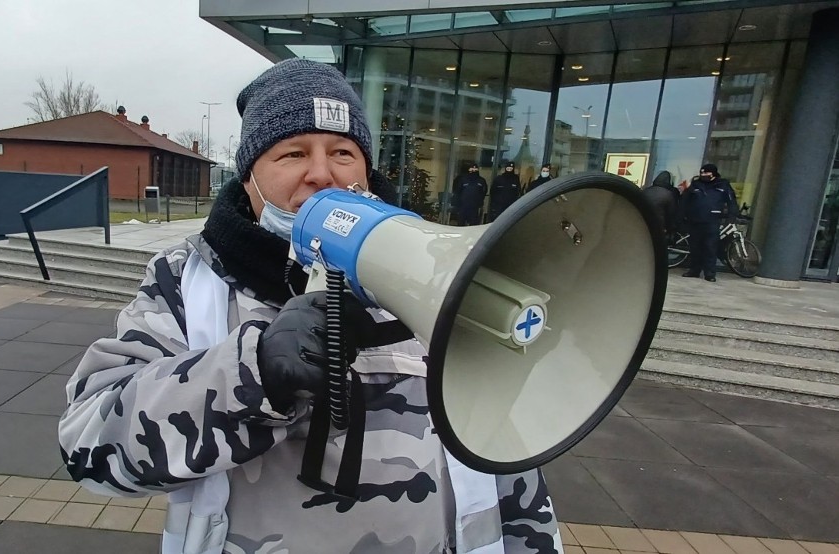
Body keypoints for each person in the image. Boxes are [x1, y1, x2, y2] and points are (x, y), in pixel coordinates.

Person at [57, 59, 562, 554]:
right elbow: (89, 447)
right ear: (250, 175)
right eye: (293, 153)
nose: (323, 174)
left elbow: (507, 459)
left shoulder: (438, 268)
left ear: (366, 168)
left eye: (343, 152)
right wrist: (252, 372)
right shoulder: (189, 281)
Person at [680, 163, 739, 282]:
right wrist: (682, 217)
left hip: (712, 221)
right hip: (695, 221)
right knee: (695, 247)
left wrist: (731, 217)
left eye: (706, 173)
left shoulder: (723, 185)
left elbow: (732, 202)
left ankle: (710, 273)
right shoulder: (696, 185)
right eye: (701, 173)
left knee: (710, 248)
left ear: (713, 174)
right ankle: (694, 270)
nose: (703, 175)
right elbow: (685, 202)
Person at [641, 170, 680, 235]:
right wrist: (670, 229)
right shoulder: (668, 194)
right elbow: (670, 214)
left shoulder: (646, 191)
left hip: (644, 223)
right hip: (659, 225)